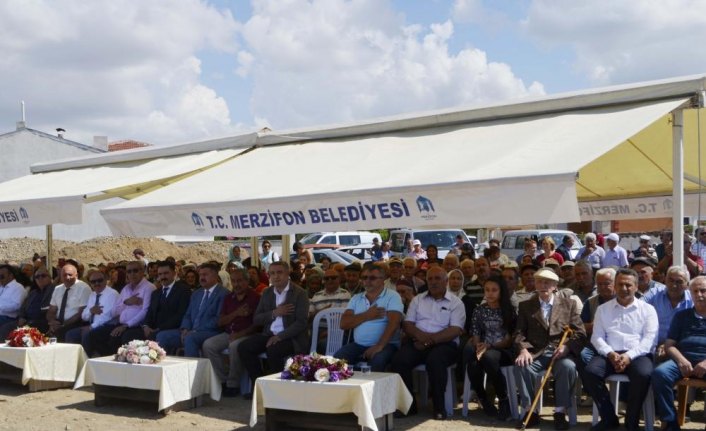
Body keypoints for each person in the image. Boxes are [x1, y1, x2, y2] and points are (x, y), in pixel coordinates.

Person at [580, 268, 658, 431]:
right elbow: (597, 337)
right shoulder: (603, 309)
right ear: (614, 286)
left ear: (636, 286)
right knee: (590, 372)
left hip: (638, 355)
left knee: (643, 374)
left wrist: (629, 356)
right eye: (620, 284)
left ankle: (632, 421)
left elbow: (650, 340)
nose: (624, 289)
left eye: (628, 285)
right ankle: (609, 418)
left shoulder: (647, 310)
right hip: (610, 354)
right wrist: (610, 353)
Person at [514, 268, 586, 430]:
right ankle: (530, 411)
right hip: (535, 353)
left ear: (555, 286)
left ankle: (560, 412)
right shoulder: (526, 306)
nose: (543, 285)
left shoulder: (569, 304)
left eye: (547, 282)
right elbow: (519, 333)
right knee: (521, 365)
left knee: (568, 367)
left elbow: (580, 333)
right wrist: (523, 349)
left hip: (559, 353)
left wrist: (567, 347)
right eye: (539, 281)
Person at [391, 266, 465, 421]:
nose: (433, 282)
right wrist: (421, 338)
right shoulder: (418, 299)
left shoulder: (456, 303)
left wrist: (429, 341)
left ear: (446, 281)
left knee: (435, 361)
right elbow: (408, 324)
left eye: (437, 278)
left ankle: (439, 407)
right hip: (419, 340)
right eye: (430, 279)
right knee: (399, 360)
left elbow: (455, 330)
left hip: (445, 344)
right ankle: (409, 406)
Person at [238, 261, 309, 398]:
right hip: (269, 334)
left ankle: (276, 391)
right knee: (244, 347)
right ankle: (259, 386)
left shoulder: (299, 293)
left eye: (279, 272)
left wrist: (280, 336)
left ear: (288, 273)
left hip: (291, 337)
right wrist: (274, 313)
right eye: (272, 273)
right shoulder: (267, 293)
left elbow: (301, 323)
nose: (276, 276)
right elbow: (257, 319)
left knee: (273, 350)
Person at [652, 276, 706, 431]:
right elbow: (669, 345)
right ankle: (670, 422)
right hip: (684, 360)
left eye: (703, 290)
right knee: (660, 373)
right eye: (695, 291)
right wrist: (681, 360)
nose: (699, 295)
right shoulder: (682, 316)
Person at [202, 268, 260, 397]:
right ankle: (222, 380)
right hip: (229, 333)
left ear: (247, 281)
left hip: (247, 334)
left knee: (234, 346)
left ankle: (233, 384)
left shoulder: (255, 298)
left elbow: (257, 325)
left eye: (240, 281)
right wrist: (237, 313)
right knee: (208, 345)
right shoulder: (229, 298)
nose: (237, 284)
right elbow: (221, 322)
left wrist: (240, 334)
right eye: (234, 281)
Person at [465, 275, 516, 420]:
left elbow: (508, 340)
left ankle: (503, 400)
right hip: (485, 348)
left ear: (501, 291)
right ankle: (484, 399)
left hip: (503, 351)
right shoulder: (479, 310)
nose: (490, 293)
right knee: (473, 363)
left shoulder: (509, 310)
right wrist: (479, 345)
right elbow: (475, 334)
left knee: (488, 357)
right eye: (487, 290)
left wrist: (489, 346)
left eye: (494, 290)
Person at [335, 265, 404, 371]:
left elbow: (393, 324)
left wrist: (379, 346)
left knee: (377, 361)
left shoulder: (392, 296)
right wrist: (367, 315)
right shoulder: (356, 298)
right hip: (359, 345)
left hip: (386, 345)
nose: (367, 281)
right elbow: (344, 324)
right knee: (337, 361)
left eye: (372, 278)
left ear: (383, 280)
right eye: (364, 277)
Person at [159, 262, 228, 357]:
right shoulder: (196, 293)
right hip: (190, 332)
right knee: (162, 336)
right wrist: (185, 328)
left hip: (211, 332)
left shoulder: (223, 294)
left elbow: (217, 320)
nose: (202, 278)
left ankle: (192, 370)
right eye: (200, 275)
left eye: (205, 275)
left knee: (190, 338)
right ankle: (167, 369)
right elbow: (187, 315)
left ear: (215, 276)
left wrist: (196, 330)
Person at [87, 261, 155, 356]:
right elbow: (115, 311)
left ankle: (118, 364)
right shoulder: (126, 289)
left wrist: (126, 325)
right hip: (121, 324)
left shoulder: (149, 287)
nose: (132, 274)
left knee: (121, 338)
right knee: (94, 334)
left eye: (135, 270)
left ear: (142, 271)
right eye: (129, 271)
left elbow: (145, 311)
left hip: (138, 326)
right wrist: (126, 302)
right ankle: (106, 361)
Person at [64, 270, 119, 354]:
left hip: (108, 325)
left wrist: (91, 327)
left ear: (105, 280)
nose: (96, 283)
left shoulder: (112, 294)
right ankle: (73, 361)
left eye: (99, 280)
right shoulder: (92, 295)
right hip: (93, 325)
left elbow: (107, 316)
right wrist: (91, 311)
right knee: (70, 334)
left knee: (87, 334)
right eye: (93, 281)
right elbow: (84, 316)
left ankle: (86, 362)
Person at [140, 260, 192, 344]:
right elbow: (150, 312)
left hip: (174, 329)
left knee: (159, 337)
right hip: (154, 329)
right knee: (134, 335)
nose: (163, 277)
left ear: (174, 273)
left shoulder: (183, 290)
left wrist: (159, 328)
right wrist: (146, 326)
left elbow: (181, 314)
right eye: (160, 274)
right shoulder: (156, 293)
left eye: (166, 273)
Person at [648, 266, 692, 360]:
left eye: (679, 282)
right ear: (665, 280)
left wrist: (668, 345)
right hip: (654, 346)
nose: (674, 285)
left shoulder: (693, 300)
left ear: (687, 284)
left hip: (681, 348)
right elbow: (638, 306)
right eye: (670, 280)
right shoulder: (654, 294)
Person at [0, 267, 54, 340]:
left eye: (43, 276)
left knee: (7, 327)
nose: (40, 278)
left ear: (50, 278)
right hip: (26, 320)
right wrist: (22, 316)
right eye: (37, 277)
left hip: (42, 320)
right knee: (7, 328)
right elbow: (23, 307)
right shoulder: (33, 293)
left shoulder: (54, 290)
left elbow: (17, 305)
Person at [46, 263, 91, 342]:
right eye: (64, 275)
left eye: (70, 275)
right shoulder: (57, 289)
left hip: (76, 322)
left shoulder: (84, 288)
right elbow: (51, 310)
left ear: (76, 275)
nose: (67, 277)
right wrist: (52, 322)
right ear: (60, 276)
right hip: (59, 322)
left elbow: (81, 313)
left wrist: (62, 325)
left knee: (61, 333)